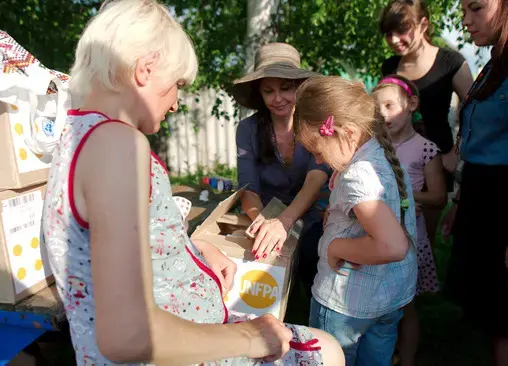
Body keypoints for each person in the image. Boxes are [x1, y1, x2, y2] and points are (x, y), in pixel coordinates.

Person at [41, 1, 344, 365]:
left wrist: (196, 251)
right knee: (326, 350)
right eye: (177, 85)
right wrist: (247, 336)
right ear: (146, 70)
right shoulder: (118, 145)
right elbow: (125, 334)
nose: (174, 104)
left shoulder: (76, 134)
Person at [295, 75, 418, 366]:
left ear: (347, 132)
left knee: (329, 358)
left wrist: (336, 248)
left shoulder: (358, 175)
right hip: (389, 298)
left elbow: (391, 246)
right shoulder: (380, 153)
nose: (319, 160)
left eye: (317, 150)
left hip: (346, 304)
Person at [232, 42, 330, 300]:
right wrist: (263, 222)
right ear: (260, 95)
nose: (277, 98)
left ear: (299, 88)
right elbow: (248, 187)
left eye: (285, 88)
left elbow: (316, 177)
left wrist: (284, 222)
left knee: (313, 258)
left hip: (314, 217)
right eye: (268, 91)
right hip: (266, 212)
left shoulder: (316, 123)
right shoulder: (247, 130)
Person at [443, 0, 508, 365]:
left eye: (477, 8)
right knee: (493, 312)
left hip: (503, 198)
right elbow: (473, 142)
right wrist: (459, 200)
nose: (466, 22)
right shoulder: (490, 66)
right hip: (481, 195)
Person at [379, 0, 474, 244]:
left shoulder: (451, 62)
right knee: (391, 237)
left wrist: (456, 151)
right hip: (397, 162)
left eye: (402, 30)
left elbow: (474, 110)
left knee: (422, 241)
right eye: (388, 33)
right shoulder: (389, 66)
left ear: (423, 25)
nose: (394, 39)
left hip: (436, 163)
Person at [372, 75, 446, 366]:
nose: (384, 115)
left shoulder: (426, 149)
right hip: (378, 232)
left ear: (411, 104)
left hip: (409, 236)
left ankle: (409, 358)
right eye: (378, 110)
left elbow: (439, 197)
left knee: (406, 304)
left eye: (390, 106)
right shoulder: (374, 146)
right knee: (379, 299)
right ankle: (383, 352)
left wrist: (404, 196)